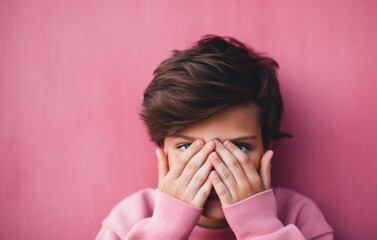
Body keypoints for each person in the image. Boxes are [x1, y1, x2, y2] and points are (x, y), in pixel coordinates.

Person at [96, 35, 333, 240]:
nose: (213, 168)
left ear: (266, 149)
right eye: (187, 147)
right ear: (162, 151)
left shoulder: (298, 217)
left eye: (239, 148)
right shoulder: (129, 219)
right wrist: (164, 229)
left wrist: (260, 227)